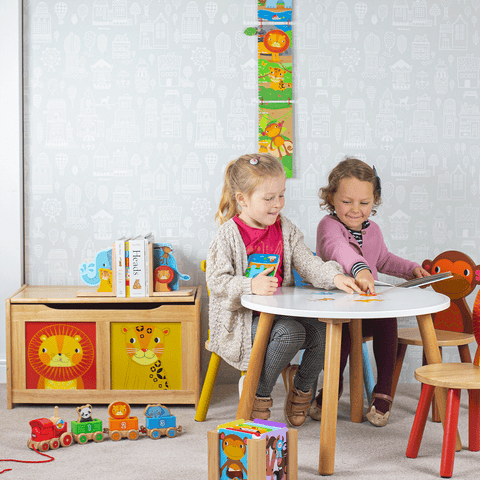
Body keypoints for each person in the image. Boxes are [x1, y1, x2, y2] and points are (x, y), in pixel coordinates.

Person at [206, 153, 361, 427]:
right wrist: (249, 285)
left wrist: (335, 277)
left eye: (282, 195)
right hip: (243, 321)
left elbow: (307, 261)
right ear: (242, 199)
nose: (278, 204)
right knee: (290, 333)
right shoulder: (228, 235)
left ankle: (301, 387)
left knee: (326, 330)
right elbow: (216, 282)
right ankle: (258, 393)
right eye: (269, 198)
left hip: (282, 313)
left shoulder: (285, 228)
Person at [312, 157, 430, 427]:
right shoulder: (328, 227)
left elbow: (384, 259)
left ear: (374, 201)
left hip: (368, 307)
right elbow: (337, 250)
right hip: (337, 305)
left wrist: (411, 269)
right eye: (346, 201)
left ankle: (384, 389)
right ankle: (332, 387)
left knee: (388, 318)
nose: (355, 209)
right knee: (340, 336)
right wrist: (361, 270)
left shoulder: (373, 230)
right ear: (331, 197)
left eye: (364, 203)